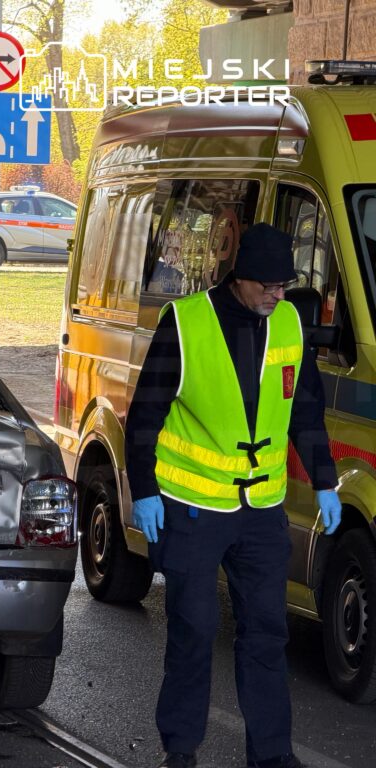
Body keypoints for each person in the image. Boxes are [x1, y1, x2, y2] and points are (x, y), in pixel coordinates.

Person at [125, 223, 342, 768]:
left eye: (284, 284)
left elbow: (306, 412)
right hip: (193, 509)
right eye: (268, 284)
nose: (277, 293)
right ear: (240, 277)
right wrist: (146, 491)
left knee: (267, 634)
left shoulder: (289, 323)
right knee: (194, 632)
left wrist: (324, 481)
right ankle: (180, 748)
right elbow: (145, 415)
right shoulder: (187, 322)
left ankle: (271, 755)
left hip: (261, 513)